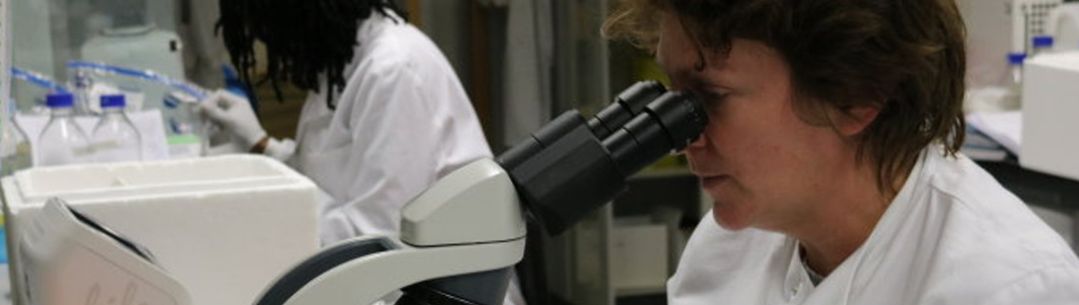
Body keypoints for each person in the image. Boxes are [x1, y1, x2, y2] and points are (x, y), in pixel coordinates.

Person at [604, 0, 1079, 304]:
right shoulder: (730, 243)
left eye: (711, 95)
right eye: (672, 91)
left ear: (853, 97)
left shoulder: (1007, 288)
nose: (685, 135)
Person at [201, 1, 524, 304]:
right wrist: (261, 143)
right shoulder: (339, 59)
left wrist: (268, 209)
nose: (266, 41)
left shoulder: (392, 68)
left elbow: (378, 238)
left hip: (444, 291)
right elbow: (324, 174)